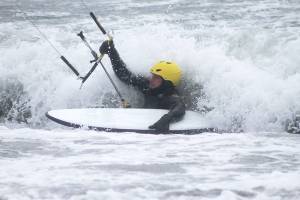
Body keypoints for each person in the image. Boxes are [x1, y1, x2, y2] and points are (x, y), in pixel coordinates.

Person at [99, 39, 185, 132]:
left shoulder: (171, 97)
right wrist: (112, 51)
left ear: (167, 82)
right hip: (141, 129)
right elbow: (124, 74)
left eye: (156, 78)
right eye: (153, 76)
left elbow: (180, 108)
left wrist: (167, 118)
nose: (151, 80)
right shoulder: (147, 85)